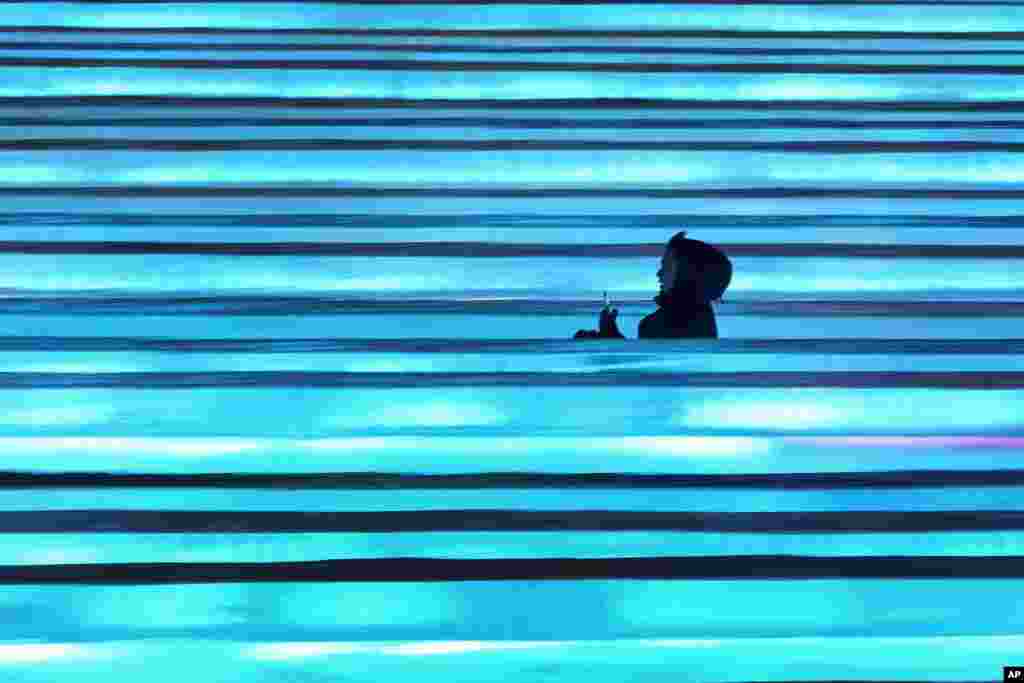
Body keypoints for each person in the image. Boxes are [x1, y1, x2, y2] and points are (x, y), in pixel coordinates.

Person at [573, 232, 732, 339]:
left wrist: (608, 340)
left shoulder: (663, 322)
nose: (659, 274)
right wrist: (611, 333)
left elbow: (638, 373)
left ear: (687, 273)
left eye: (667, 267)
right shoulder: (699, 317)